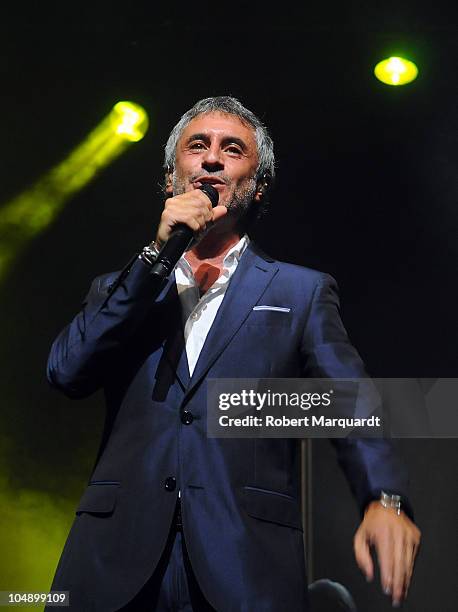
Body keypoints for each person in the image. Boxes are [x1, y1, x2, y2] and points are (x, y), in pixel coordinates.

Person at [46, 96, 421, 611]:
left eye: (233, 149)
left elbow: (349, 403)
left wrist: (385, 499)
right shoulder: (122, 288)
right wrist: (157, 257)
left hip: (243, 563)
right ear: (170, 178)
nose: (213, 159)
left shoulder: (300, 292)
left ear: (258, 185)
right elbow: (67, 371)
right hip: (114, 564)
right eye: (197, 145)